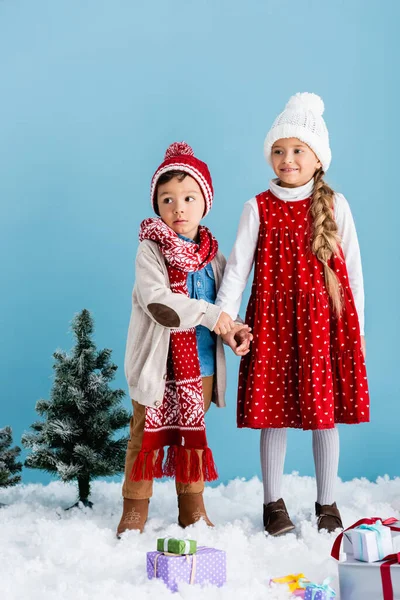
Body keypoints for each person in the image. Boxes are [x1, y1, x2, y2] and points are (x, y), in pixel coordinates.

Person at [217, 93, 369, 535]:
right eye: (279, 151)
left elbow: (353, 271)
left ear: (317, 157)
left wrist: (354, 330)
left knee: (324, 416)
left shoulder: (336, 205)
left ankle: (327, 503)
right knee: (274, 414)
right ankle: (273, 504)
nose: (287, 159)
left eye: (297, 150)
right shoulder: (256, 207)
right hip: (273, 324)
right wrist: (224, 319)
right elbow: (237, 271)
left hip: (324, 327)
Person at [117, 141, 251, 536]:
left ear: (204, 204)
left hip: (201, 368)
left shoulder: (213, 254)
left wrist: (235, 330)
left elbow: (223, 304)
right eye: (168, 199)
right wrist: (215, 317)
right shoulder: (150, 251)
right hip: (158, 368)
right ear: (156, 205)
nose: (179, 208)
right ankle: (135, 507)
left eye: (189, 198)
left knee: (191, 438)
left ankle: (191, 507)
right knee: (144, 436)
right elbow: (160, 304)